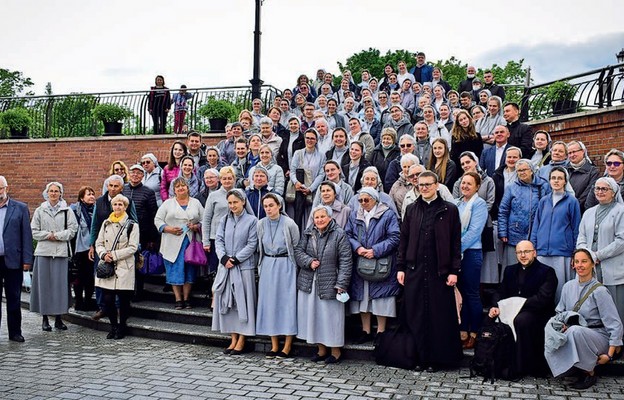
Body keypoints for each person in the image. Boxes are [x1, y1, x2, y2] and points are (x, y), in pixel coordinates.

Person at [397, 171, 463, 371]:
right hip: (415, 270)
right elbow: (404, 240)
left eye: (428, 184)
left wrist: (454, 270)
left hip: (440, 271)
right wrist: (400, 267)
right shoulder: (411, 209)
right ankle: (418, 358)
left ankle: (436, 359)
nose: (424, 188)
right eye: (420, 185)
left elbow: (455, 242)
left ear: (437, 185)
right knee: (416, 315)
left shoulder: (449, 210)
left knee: (438, 317)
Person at [545, 248, 623, 390]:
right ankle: (571, 367)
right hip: (575, 333)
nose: (580, 265)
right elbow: (560, 312)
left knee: (575, 331)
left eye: (584, 261)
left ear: (593, 264)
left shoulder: (600, 291)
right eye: (577, 262)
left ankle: (590, 372)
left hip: (599, 336)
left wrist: (610, 355)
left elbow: (615, 324)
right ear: (573, 265)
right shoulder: (568, 287)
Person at [488, 240, 557, 378]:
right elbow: (500, 292)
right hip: (512, 312)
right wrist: (495, 306)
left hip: (538, 314)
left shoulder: (547, 272)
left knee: (521, 320)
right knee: (491, 318)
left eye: (526, 251)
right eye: (519, 252)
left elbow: (542, 299)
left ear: (534, 253)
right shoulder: (509, 270)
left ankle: (520, 367)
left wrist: (515, 305)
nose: (523, 255)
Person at [295, 205, 352, 363]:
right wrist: (309, 261)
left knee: (331, 318)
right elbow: (298, 252)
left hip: (330, 283)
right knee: (315, 317)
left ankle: (335, 351)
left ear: (330, 217)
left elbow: (346, 261)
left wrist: (341, 284)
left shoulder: (339, 234)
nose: (319, 220)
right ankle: (321, 350)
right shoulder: (308, 232)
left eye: (322, 217)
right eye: (316, 217)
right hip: (310, 282)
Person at [345, 187, 401, 344]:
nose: (363, 203)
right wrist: (358, 248)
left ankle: (381, 332)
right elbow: (348, 234)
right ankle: (366, 330)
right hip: (362, 260)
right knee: (363, 297)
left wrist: (375, 250)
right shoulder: (355, 214)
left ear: (375, 200)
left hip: (381, 260)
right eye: (360, 200)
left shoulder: (387, 214)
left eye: (366, 200)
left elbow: (395, 237)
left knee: (381, 297)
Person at [213, 189, 259, 355]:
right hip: (226, 267)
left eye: (235, 202)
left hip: (243, 267)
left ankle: (242, 339)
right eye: (230, 203)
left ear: (243, 202)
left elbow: (252, 244)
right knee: (229, 304)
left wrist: (236, 259)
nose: (232, 205)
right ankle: (233, 337)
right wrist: (223, 258)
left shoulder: (252, 221)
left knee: (242, 303)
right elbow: (218, 240)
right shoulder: (224, 220)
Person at [256, 194, 300, 358]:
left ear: (279, 206)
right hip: (268, 264)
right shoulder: (260, 224)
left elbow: (296, 247)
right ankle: (274, 344)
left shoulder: (289, 224)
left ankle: (287, 345)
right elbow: (259, 247)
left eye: (271, 205)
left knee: (287, 303)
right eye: (265, 206)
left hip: (285, 265)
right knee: (270, 304)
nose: (268, 209)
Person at [30, 182, 78, 332]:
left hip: (60, 252)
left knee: (59, 286)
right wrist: (48, 235)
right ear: (47, 193)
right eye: (51, 191)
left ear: (60, 193)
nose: (53, 193)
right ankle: (45, 319)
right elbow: (34, 231)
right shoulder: (40, 210)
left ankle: (58, 318)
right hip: (43, 252)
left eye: (56, 191)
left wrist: (56, 236)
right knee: (44, 286)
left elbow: (72, 230)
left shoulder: (67, 211)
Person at [576, 177, 624, 323]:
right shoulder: (589, 212)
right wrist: (585, 256)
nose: (600, 191)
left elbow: (621, 240)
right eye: (597, 188)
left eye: (604, 189)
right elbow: (581, 237)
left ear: (614, 192)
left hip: (612, 268)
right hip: (591, 267)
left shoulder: (621, 211)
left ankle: (617, 341)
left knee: (615, 309)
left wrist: (597, 256)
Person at [530, 167, 581, 300]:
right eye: (553, 178)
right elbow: (536, 225)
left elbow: (576, 229)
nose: (556, 181)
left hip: (562, 252)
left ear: (565, 181)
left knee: (560, 289)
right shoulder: (543, 201)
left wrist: (575, 252)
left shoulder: (572, 201)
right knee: (541, 288)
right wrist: (533, 247)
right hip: (542, 252)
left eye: (559, 178)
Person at [154, 177, 204, 310]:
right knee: (174, 269)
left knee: (189, 269)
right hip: (172, 241)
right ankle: (178, 298)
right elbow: (157, 220)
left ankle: (187, 298)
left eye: (183, 186)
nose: (181, 188)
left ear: (188, 188)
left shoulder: (196, 203)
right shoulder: (167, 204)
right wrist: (168, 228)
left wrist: (196, 226)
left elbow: (204, 220)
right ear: (174, 190)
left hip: (190, 242)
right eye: (177, 186)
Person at [95, 194, 139, 340]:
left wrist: (113, 255)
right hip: (108, 265)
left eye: (121, 204)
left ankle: (122, 326)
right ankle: (113, 326)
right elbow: (99, 243)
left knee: (124, 300)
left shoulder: (132, 225)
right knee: (108, 299)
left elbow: (133, 247)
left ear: (125, 207)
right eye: (115, 204)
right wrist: (103, 255)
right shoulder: (106, 223)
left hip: (124, 266)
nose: (117, 207)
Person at [498, 159, 551, 272]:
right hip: (515, 233)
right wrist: (502, 231)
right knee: (513, 268)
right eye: (519, 171)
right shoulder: (511, 188)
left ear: (531, 170)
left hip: (536, 233)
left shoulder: (543, 185)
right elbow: (503, 210)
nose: (521, 173)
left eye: (524, 170)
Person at [455, 172, 488, 349]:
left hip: (471, 253)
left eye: (469, 183)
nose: (465, 186)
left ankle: (474, 332)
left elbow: (475, 231)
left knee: (472, 294)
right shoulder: (458, 203)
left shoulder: (479, 204)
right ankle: (462, 331)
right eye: (463, 182)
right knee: (460, 294)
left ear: (477, 187)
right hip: (458, 254)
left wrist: (456, 249)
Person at [0, 176, 33, 342]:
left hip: (13, 260)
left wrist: (27, 260)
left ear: (7, 188)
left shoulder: (20, 208)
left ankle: (15, 332)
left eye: (0, 188)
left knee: (14, 298)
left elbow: (26, 235)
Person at [123, 164, 159, 300]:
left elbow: (153, 215)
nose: (135, 175)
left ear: (143, 176)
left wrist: (152, 238)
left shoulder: (148, 192)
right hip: (124, 232)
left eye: (139, 173)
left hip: (142, 233)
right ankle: (127, 290)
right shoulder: (123, 190)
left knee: (139, 262)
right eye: (133, 172)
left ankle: (139, 291)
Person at [202, 166, 238, 279]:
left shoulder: (240, 194)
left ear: (234, 179)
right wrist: (206, 241)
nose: (227, 181)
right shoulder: (213, 196)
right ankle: (215, 296)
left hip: (235, 238)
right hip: (216, 239)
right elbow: (206, 219)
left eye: (229, 178)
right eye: (224, 178)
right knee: (216, 272)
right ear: (220, 180)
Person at [70, 186, 97, 311]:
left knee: (90, 277)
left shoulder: (96, 210)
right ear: (81, 198)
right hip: (80, 248)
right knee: (80, 276)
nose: (91, 196)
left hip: (93, 247)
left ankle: (88, 301)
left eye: (92, 194)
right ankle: (79, 301)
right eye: (88, 194)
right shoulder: (75, 210)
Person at [566, 141, 599, 213]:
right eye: (569, 153)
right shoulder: (564, 170)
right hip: (565, 211)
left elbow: (588, 193)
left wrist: (574, 206)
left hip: (582, 211)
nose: (572, 155)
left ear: (583, 151)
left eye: (574, 152)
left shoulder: (593, 171)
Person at [369, 128, 400, 192]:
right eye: (384, 138)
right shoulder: (375, 152)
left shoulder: (398, 152)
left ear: (393, 140)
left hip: (392, 187)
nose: (386, 141)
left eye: (388, 139)